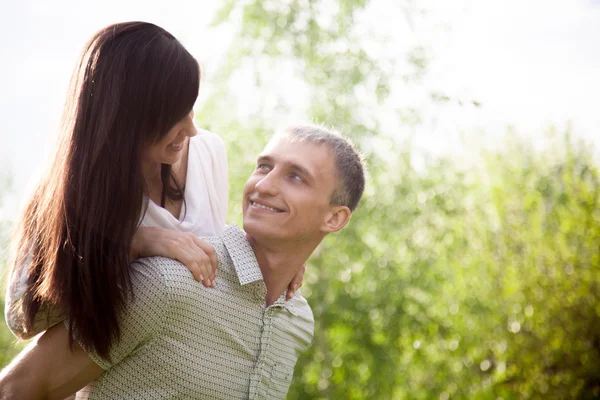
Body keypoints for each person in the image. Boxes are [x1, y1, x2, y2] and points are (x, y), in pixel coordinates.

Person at [0, 124, 366, 399]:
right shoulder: (169, 282)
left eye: (295, 177)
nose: (264, 186)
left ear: (334, 219)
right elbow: (19, 389)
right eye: (263, 167)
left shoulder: (297, 320)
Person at [3, 21, 301, 357]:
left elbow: (211, 255)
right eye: (174, 115)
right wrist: (132, 244)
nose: (190, 128)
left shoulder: (207, 152)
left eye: (190, 108)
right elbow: (23, 319)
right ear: (124, 117)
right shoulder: (61, 190)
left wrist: (274, 256)